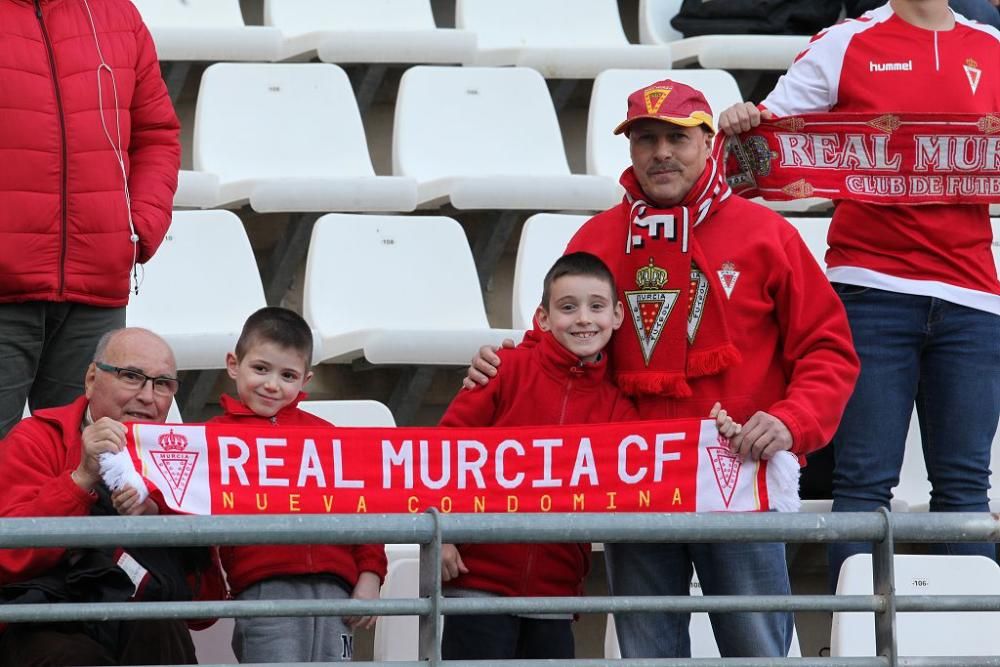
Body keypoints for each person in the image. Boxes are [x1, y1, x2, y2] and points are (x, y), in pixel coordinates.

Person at [467, 80, 860, 658]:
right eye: (645, 139)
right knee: (648, 651)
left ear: (707, 142)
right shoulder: (598, 237)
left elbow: (828, 348)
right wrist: (502, 368)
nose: (660, 153)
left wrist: (791, 421)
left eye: (677, 137)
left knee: (759, 649)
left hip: (738, 474)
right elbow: (557, 345)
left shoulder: (766, 233)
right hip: (636, 474)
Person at [719, 0, 1000, 591]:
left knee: (965, 487)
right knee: (866, 483)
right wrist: (745, 120)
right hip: (871, 291)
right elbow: (764, 139)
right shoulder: (845, 41)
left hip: (973, 297)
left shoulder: (990, 45)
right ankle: (857, 636)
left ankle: (967, 641)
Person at [441, 252, 742, 660]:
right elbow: (445, 452)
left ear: (618, 315)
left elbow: (656, 463)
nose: (583, 318)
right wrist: (442, 536)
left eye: (596, 307)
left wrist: (711, 435)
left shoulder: (618, 407)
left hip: (554, 593)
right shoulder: (502, 370)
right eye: (568, 307)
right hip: (477, 582)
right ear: (543, 318)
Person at [0, 0, 180, 438]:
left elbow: (156, 135)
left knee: (93, 469)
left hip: (95, 294)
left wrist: (138, 228)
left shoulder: (119, 15)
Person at [0, 328, 224, 666]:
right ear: (91, 378)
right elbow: (7, 559)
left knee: (161, 626)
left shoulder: (183, 458)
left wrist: (161, 519)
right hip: (45, 618)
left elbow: (204, 605)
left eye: (162, 384)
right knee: (70, 656)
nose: (148, 396)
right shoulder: (36, 438)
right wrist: (80, 480)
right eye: (132, 376)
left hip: (138, 619)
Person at [208, 307, 387, 664]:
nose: (272, 384)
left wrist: (370, 576)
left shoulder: (327, 438)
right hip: (263, 588)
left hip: (337, 590)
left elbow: (362, 510)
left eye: (287, 375)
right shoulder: (212, 438)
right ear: (233, 364)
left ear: (305, 381)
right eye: (260, 368)